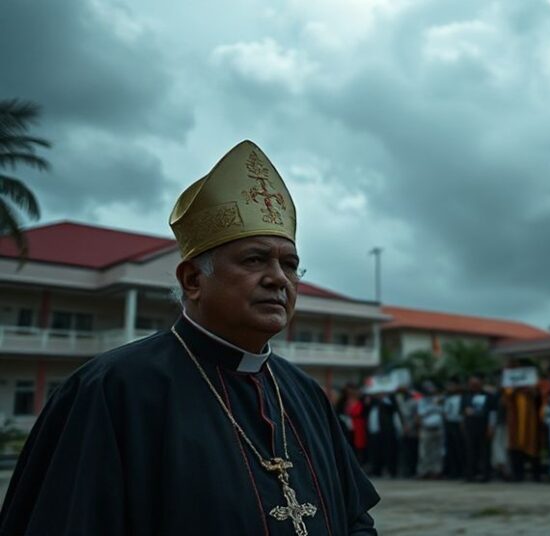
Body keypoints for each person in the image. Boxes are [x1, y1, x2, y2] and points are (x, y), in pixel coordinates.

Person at [0, 140, 379, 535]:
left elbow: (355, 519)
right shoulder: (111, 390)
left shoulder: (304, 392)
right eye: (254, 259)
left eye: (290, 265)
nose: (278, 279)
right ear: (193, 280)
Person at [504, 372, 543, 483]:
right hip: (514, 423)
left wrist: (532, 391)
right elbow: (504, 401)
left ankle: (536, 475)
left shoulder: (533, 386)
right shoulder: (509, 386)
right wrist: (515, 389)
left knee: (533, 446)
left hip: (531, 421)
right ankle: (518, 475)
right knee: (515, 447)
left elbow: (540, 399)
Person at [462, 375, 496, 483]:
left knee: (485, 452)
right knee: (470, 451)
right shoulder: (466, 396)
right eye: (471, 384)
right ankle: (470, 475)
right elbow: (462, 412)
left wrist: (491, 426)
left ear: (481, 383)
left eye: (476, 384)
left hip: (484, 427)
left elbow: (493, 412)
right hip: (470, 427)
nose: (473, 386)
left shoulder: (489, 396)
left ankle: (486, 475)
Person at [367, 391, 400, 478]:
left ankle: (391, 471)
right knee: (376, 451)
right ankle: (376, 470)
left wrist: (384, 398)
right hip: (375, 430)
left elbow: (393, 408)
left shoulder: (389, 401)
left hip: (387, 430)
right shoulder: (373, 403)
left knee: (389, 451)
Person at [415, 382, 445, 479]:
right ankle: (423, 471)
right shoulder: (422, 401)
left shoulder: (439, 400)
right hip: (426, 429)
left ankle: (436, 472)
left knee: (437, 452)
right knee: (424, 452)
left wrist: (437, 403)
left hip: (438, 429)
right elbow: (420, 414)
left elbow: (443, 412)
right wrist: (432, 407)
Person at [442, 377, 466, 480]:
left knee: (460, 448)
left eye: (452, 385)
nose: (450, 387)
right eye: (449, 385)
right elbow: (445, 411)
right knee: (450, 448)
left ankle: (462, 471)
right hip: (449, 423)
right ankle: (453, 471)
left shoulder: (463, 397)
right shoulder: (447, 397)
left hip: (459, 423)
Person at [396, 385, 420, 478]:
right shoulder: (401, 402)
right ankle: (407, 471)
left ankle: (413, 470)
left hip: (412, 430)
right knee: (405, 452)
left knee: (413, 451)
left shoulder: (414, 402)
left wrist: (409, 426)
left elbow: (416, 416)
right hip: (403, 430)